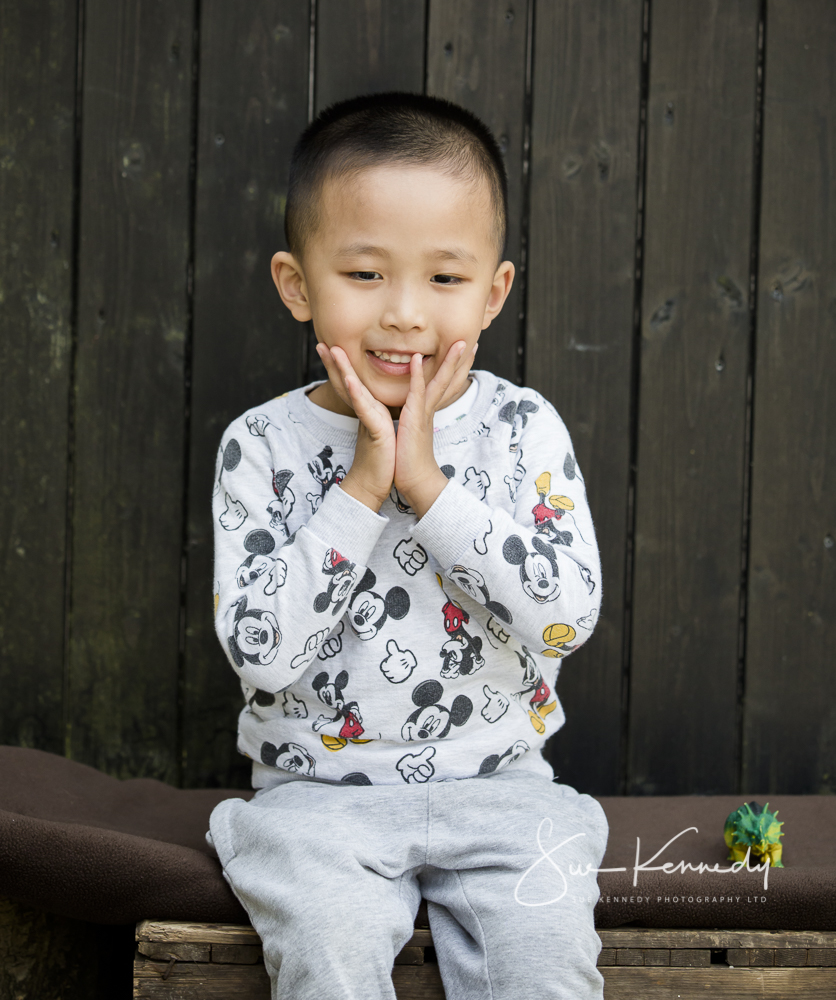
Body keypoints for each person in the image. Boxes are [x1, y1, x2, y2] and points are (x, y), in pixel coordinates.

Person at [208, 91, 608, 1000]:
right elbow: (264, 657)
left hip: (504, 790)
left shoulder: (521, 431)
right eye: (363, 276)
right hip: (319, 803)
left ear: (494, 291)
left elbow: (564, 621)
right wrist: (362, 487)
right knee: (328, 951)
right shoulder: (260, 447)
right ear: (296, 283)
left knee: (546, 963)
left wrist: (428, 487)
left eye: (443, 278)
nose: (403, 314)